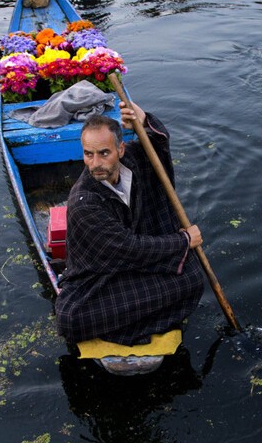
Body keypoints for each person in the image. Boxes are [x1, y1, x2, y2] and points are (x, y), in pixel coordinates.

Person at [54, 101, 205, 346]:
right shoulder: (85, 203)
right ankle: (141, 325)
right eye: (88, 154)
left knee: (193, 278)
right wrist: (184, 241)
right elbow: (129, 248)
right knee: (71, 319)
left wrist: (144, 120)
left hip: (134, 265)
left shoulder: (132, 161)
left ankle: (132, 321)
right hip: (101, 276)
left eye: (104, 153)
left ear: (120, 150)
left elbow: (157, 144)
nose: (95, 163)